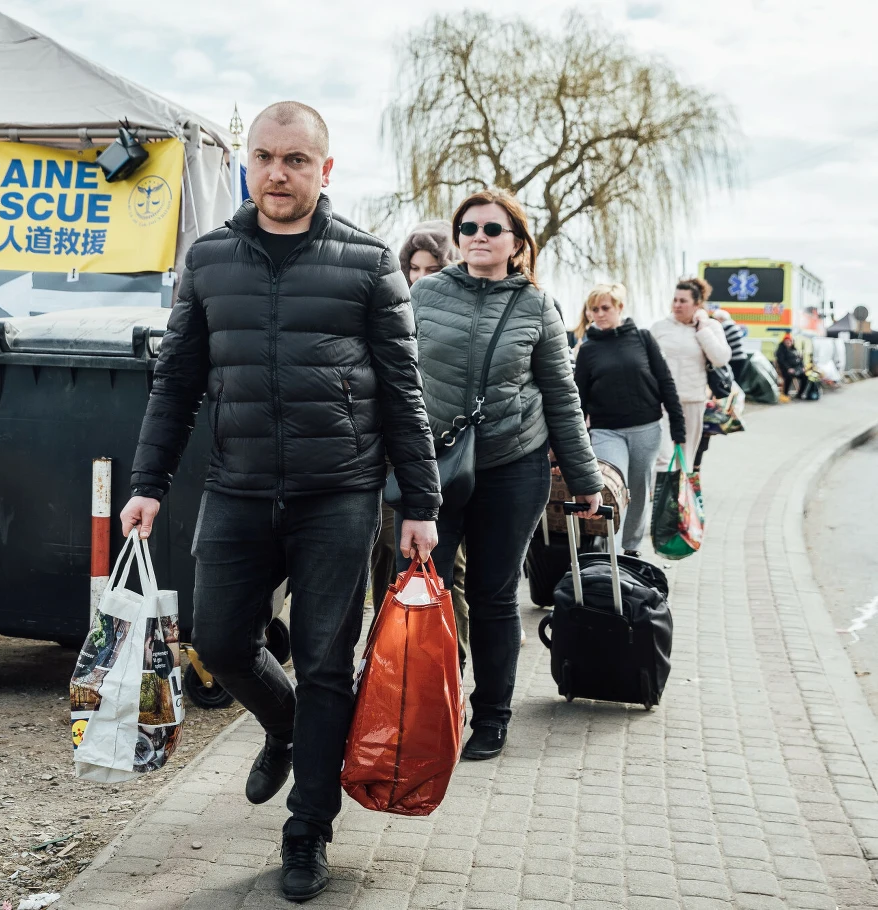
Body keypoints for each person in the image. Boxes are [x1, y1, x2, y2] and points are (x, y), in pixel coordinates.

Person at [119, 101, 441, 903]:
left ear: (324, 170)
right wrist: (147, 484)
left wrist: (420, 505)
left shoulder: (369, 263)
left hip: (340, 494)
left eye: (296, 160)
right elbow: (176, 383)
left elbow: (405, 393)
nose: (277, 173)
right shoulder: (209, 259)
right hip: (238, 487)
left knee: (328, 663)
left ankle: (308, 830)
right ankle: (286, 725)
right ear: (248, 164)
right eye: (264, 157)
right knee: (219, 639)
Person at [411, 188, 601, 762]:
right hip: (436, 467)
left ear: (517, 243)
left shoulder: (537, 306)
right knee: (423, 590)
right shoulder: (424, 294)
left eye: (492, 229)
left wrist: (584, 476)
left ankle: (492, 716)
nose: (478, 237)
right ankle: (429, 710)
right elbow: (395, 378)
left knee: (493, 597)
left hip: (512, 466)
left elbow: (561, 395)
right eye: (468, 228)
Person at [371, 222, 469, 672]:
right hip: (387, 457)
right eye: (414, 267)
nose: (420, 277)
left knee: (444, 570)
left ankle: (449, 668)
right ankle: (385, 664)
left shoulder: (453, 318)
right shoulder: (386, 310)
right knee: (386, 562)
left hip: (440, 459)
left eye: (432, 269)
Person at [573, 283, 685, 557]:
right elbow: (579, 398)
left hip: (646, 428)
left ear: (620, 307)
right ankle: (609, 551)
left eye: (605, 308)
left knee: (638, 489)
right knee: (611, 489)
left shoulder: (643, 338)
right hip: (606, 431)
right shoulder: (588, 350)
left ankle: (631, 549)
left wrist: (678, 425)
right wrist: (574, 439)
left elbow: (665, 382)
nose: (599, 314)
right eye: (594, 309)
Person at [651, 278, 731, 470]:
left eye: (683, 301)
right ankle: (661, 489)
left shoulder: (711, 327)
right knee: (663, 458)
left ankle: (681, 489)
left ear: (697, 304)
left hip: (692, 401)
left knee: (685, 459)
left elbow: (721, 358)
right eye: (675, 300)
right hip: (662, 402)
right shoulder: (660, 327)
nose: (677, 305)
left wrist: (702, 331)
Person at [775, 333, 806, 401]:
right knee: (788, 377)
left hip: (796, 369)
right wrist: (788, 368)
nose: (788, 342)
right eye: (787, 341)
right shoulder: (781, 350)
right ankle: (785, 394)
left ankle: (800, 394)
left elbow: (800, 360)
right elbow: (781, 361)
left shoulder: (794, 349)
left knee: (805, 377)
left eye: (790, 341)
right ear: (784, 341)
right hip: (785, 369)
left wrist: (802, 367)